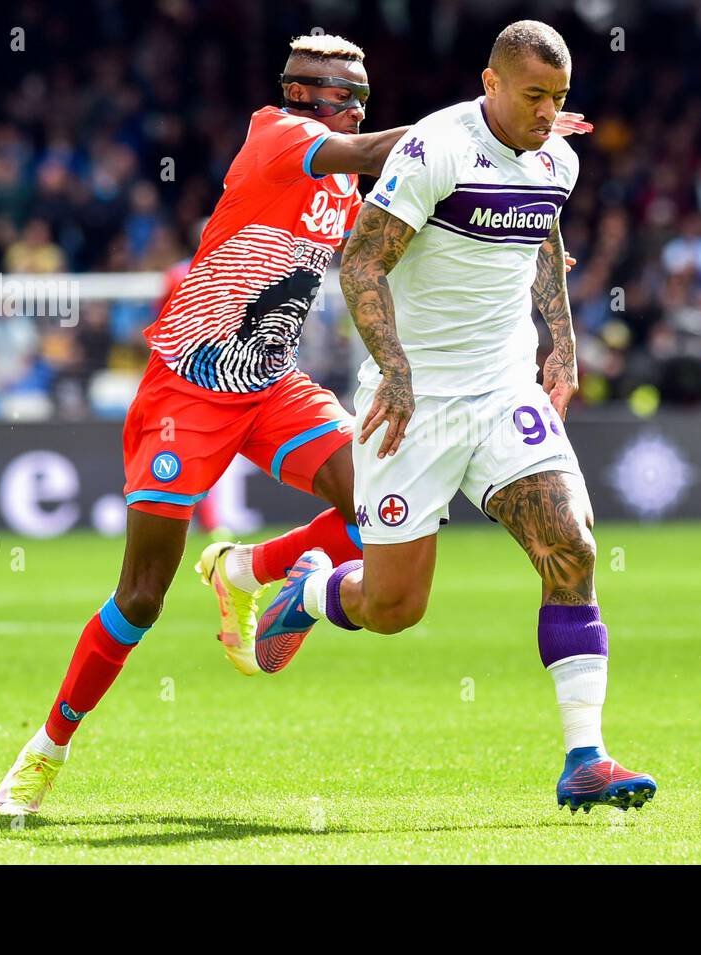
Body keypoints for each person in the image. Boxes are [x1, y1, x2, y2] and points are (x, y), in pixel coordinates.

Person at [252, 20, 656, 814]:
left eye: (561, 98)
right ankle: (313, 591)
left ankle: (586, 756)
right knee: (396, 609)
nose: (548, 112)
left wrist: (562, 348)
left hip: (504, 392)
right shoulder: (436, 147)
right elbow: (360, 258)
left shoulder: (558, 157)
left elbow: (542, 235)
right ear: (491, 82)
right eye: (535, 95)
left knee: (571, 545)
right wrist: (395, 372)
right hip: (415, 406)